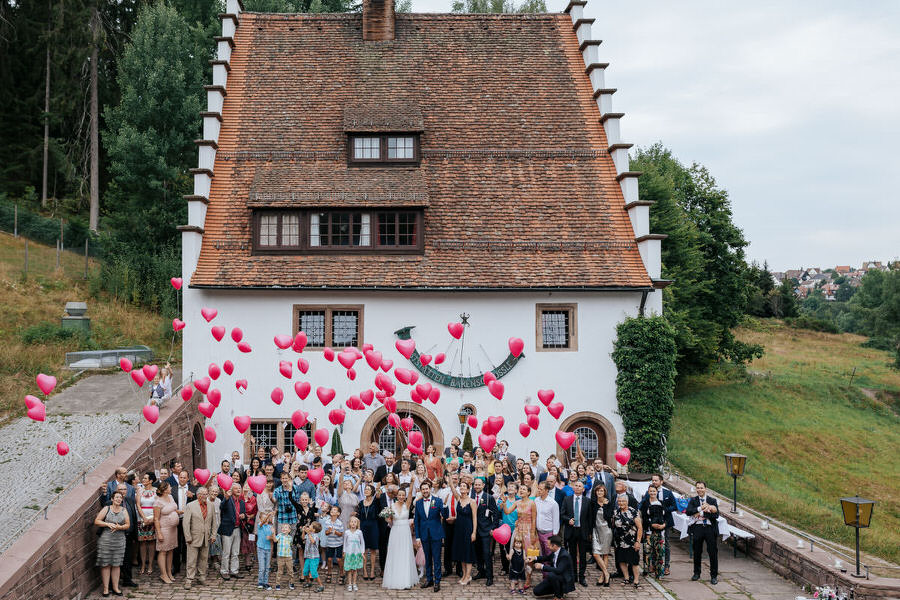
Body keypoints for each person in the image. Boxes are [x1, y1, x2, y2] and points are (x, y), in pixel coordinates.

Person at [638, 473, 677, 576]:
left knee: (665, 545)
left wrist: (662, 510)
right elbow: (642, 504)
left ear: (661, 482)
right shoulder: (649, 493)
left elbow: (674, 506)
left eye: (656, 480)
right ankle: (653, 564)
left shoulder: (668, 493)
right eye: (653, 480)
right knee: (651, 543)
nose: (654, 482)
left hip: (665, 522)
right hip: (651, 524)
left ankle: (666, 566)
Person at [382, 486, 419, 589]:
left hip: (405, 531)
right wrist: (387, 519)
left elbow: (411, 494)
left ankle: (406, 579)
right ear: (396, 496)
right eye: (400, 495)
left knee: (405, 552)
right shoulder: (392, 506)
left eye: (403, 495)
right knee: (395, 553)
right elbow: (390, 521)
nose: (401, 497)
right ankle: (394, 578)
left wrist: (412, 482)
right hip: (395, 531)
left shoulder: (407, 505)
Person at [95, 490, 130, 597]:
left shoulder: (124, 510)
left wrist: (120, 527)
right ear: (112, 499)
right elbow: (97, 521)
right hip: (106, 540)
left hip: (119, 540)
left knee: (116, 564)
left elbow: (128, 524)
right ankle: (106, 589)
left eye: (120, 498)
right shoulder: (106, 509)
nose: (119, 499)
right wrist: (107, 524)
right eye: (117, 497)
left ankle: (115, 587)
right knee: (105, 564)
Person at [182, 486, 217, 590]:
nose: (204, 496)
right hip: (193, 537)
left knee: (204, 559)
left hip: (206, 537)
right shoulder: (190, 506)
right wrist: (188, 536)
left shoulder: (211, 505)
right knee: (191, 559)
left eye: (206, 494)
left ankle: (202, 577)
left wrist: (213, 535)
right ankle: (189, 579)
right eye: (202, 494)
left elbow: (214, 522)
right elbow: (186, 523)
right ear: (198, 495)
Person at [686, 481, 719, 585]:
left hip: (710, 528)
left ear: (705, 489)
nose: (699, 489)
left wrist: (701, 514)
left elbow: (716, 515)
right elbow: (688, 512)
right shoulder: (693, 500)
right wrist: (700, 508)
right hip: (698, 528)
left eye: (701, 488)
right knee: (697, 551)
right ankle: (696, 573)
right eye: (698, 488)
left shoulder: (712, 500)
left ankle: (714, 576)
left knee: (712, 552)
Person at [413, 480, 444, 592]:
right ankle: (429, 579)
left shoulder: (438, 501)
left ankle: (437, 581)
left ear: (430, 489)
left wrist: (444, 506)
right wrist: (417, 537)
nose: (425, 491)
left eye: (427, 489)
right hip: (424, 535)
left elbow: (444, 515)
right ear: (421, 491)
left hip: (436, 534)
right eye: (423, 489)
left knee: (436, 559)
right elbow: (417, 521)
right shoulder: (418, 503)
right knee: (427, 558)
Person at [446, 478, 477, 585]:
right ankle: (464, 575)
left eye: (464, 486)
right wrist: (449, 477)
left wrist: (474, 532)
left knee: (468, 553)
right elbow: (452, 488)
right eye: (461, 486)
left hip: (468, 529)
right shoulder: (458, 499)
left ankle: (468, 576)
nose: (462, 488)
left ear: (468, 490)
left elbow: (474, 518)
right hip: (458, 529)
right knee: (461, 553)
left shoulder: (472, 502)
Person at [560, 479, 590, 587]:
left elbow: (589, 518)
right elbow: (562, 514)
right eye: (576, 485)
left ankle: (582, 577)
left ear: (583, 489)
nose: (577, 487)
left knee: (582, 555)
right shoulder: (567, 499)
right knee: (572, 555)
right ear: (573, 488)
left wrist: (589, 532)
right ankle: (573, 576)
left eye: (580, 486)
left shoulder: (587, 501)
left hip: (582, 531)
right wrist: (568, 520)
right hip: (571, 531)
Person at [471, 477, 500, 586]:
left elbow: (496, 514)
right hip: (475, 530)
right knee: (477, 553)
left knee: (486, 554)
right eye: (475, 484)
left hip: (486, 531)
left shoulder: (489, 498)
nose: (477, 486)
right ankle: (481, 571)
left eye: (479, 484)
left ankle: (489, 576)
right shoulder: (471, 496)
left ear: (483, 485)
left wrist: (493, 528)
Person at [530, 535, 575, 600]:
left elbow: (559, 570)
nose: (547, 546)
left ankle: (558, 596)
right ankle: (557, 589)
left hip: (564, 579)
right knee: (536, 591)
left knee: (551, 575)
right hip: (555, 577)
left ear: (555, 546)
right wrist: (534, 558)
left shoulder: (564, 556)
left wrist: (542, 567)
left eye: (549, 545)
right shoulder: (555, 551)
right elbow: (546, 558)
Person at [612, 495, 642, 588]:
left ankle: (636, 580)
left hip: (632, 540)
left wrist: (638, 541)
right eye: (619, 501)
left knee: (634, 561)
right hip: (620, 540)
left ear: (627, 502)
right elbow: (613, 525)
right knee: (622, 560)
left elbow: (640, 528)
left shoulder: (633, 512)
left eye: (623, 501)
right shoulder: (616, 512)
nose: (621, 503)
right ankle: (626, 578)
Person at [218, 482, 247, 580]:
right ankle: (224, 571)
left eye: (240, 488)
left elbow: (244, 515)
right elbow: (221, 507)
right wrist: (226, 498)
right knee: (226, 552)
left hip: (237, 529)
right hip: (227, 529)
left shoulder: (242, 502)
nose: (239, 490)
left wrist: (244, 516)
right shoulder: (227, 499)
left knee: (235, 552)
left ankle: (234, 571)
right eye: (236, 489)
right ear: (232, 490)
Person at [153, 480, 179, 584]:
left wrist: (179, 512)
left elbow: (172, 509)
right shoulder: (157, 502)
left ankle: (169, 572)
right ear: (164, 490)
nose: (171, 488)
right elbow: (155, 518)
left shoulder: (171, 497)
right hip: (164, 529)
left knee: (171, 550)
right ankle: (163, 574)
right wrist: (159, 532)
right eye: (169, 487)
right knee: (163, 551)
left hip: (173, 529)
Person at [640, 485, 667, 579]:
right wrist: (651, 524)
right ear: (648, 492)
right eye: (650, 491)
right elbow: (643, 517)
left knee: (660, 552)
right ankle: (646, 570)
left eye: (654, 491)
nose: (652, 493)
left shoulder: (662, 503)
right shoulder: (645, 503)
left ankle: (659, 572)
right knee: (647, 552)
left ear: (657, 492)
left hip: (660, 532)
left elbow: (666, 516)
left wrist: (664, 525)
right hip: (649, 531)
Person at [172, 470, 195, 576]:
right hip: (176, 519)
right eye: (180, 477)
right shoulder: (173, 489)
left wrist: (192, 497)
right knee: (176, 544)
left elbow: (198, 503)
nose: (182, 479)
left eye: (184, 477)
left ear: (187, 479)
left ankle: (187, 566)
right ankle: (176, 567)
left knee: (188, 543)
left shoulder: (193, 489)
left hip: (189, 520)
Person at [588, 483, 612, 586]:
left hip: (606, 531)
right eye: (598, 491)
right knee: (596, 553)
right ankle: (607, 573)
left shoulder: (608, 503)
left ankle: (603, 576)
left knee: (605, 554)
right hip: (595, 530)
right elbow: (590, 518)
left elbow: (609, 516)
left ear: (604, 492)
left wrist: (605, 505)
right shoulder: (593, 503)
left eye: (601, 491)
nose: (599, 492)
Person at [357, 484, 380, 581]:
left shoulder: (376, 502)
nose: (366, 491)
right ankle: (365, 571)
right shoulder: (361, 503)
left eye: (368, 489)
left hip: (373, 527)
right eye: (365, 489)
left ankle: (372, 571)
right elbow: (359, 516)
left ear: (372, 491)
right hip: (363, 527)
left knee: (373, 550)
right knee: (364, 550)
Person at [321, 504, 345, 584]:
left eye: (335, 510)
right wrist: (329, 531)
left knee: (339, 559)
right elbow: (326, 533)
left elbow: (341, 534)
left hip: (338, 544)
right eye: (332, 510)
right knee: (329, 559)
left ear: (338, 513)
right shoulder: (327, 522)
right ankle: (329, 573)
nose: (332, 511)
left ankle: (342, 573)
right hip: (330, 543)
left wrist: (335, 532)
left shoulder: (340, 523)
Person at [534, 482, 560, 555]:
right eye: (538, 488)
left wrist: (554, 534)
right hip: (538, 533)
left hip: (549, 534)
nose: (539, 490)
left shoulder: (553, 503)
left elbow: (556, 520)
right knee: (540, 553)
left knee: (549, 554)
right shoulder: (536, 500)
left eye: (541, 489)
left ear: (546, 490)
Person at [498, 483, 519, 575]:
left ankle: (515, 567)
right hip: (504, 529)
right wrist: (503, 502)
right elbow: (499, 509)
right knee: (504, 550)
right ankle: (505, 568)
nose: (510, 488)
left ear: (516, 491)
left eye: (513, 487)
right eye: (509, 486)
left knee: (515, 549)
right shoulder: (503, 498)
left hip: (515, 529)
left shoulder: (519, 500)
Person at [343, 516, 365, 591]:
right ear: (349, 523)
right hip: (349, 553)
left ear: (357, 524)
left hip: (356, 553)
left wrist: (362, 552)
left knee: (355, 570)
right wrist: (344, 551)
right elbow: (345, 543)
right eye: (351, 522)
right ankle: (349, 584)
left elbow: (362, 543)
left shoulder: (359, 532)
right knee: (349, 570)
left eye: (355, 522)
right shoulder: (347, 532)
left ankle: (354, 583)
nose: (353, 523)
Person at [240, 483, 258, 572]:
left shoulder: (253, 499)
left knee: (250, 542)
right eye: (245, 486)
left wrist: (251, 516)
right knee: (243, 543)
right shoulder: (240, 498)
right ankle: (243, 561)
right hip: (241, 524)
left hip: (250, 524)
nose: (247, 488)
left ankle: (248, 561)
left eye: (248, 487)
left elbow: (256, 511)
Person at [302, 522, 325, 592]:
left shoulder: (316, 536)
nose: (309, 526)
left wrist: (308, 533)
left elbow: (313, 541)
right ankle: (309, 582)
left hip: (314, 558)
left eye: (311, 526)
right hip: (308, 557)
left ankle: (321, 586)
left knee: (314, 572)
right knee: (305, 571)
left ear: (314, 530)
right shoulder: (309, 534)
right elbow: (303, 538)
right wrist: (303, 531)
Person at [255, 511, 275, 590]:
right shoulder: (260, 525)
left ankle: (266, 582)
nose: (266, 520)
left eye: (267, 519)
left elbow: (273, 538)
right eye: (264, 519)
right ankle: (260, 582)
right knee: (262, 567)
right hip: (261, 548)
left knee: (267, 567)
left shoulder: (270, 527)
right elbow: (262, 522)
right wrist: (268, 515)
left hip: (268, 549)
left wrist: (271, 536)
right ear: (260, 519)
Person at [274, 523, 295, 590]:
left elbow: (291, 545)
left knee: (290, 571)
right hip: (280, 557)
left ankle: (291, 582)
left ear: (289, 530)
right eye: (282, 527)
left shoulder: (290, 538)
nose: (284, 528)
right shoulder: (279, 535)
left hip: (288, 557)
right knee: (280, 571)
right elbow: (275, 540)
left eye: (286, 527)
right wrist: (273, 533)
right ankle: (278, 584)